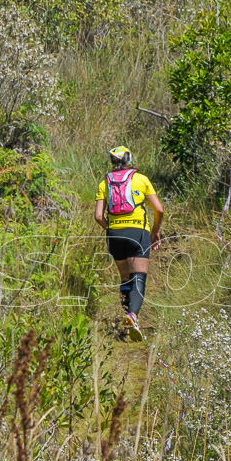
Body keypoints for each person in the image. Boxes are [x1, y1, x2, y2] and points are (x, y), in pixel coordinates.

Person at [94, 146, 164, 340]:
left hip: (114, 235)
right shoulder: (141, 180)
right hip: (138, 233)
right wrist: (155, 231)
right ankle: (132, 317)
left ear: (112, 162)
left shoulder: (104, 183)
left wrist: (111, 228)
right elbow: (159, 210)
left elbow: (98, 216)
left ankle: (126, 327)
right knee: (138, 278)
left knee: (125, 279)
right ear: (129, 159)